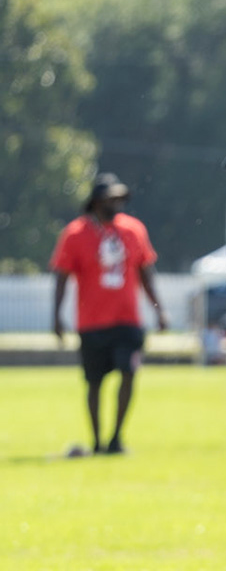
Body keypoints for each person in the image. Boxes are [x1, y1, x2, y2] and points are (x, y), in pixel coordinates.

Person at [50, 172, 169, 455]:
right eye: (110, 199)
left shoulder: (134, 230)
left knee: (129, 373)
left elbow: (146, 273)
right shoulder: (75, 233)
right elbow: (62, 277)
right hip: (92, 322)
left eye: (119, 199)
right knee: (94, 382)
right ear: (96, 201)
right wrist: (56, 316)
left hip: (127, 320)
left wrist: (159, 310)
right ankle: (97, 442)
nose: (116, 204)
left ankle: (116, 438)